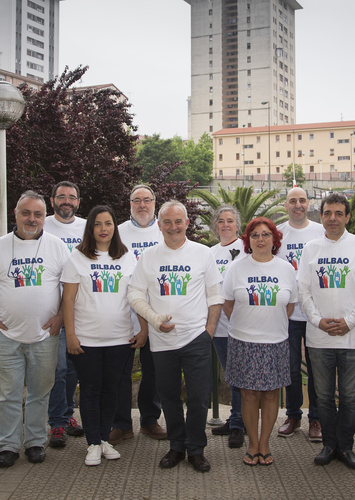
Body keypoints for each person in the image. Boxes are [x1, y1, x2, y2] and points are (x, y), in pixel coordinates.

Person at [0, 191, 68, 468]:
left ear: (44, 217)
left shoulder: (57, 246)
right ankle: (8, 446)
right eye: (26, 213)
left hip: (44, 337)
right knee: (6, 394)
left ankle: (36, 442)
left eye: (38, 214)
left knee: (40, 393)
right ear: (15, 214)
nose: (32, 219)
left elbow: (70, 286)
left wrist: (61, 315)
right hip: (5, 337)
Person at [127, 200, 223, 472]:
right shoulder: (148, 257)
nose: (173, 227)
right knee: (168, 397)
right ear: (159, 226)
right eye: (167, 222)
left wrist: (209, 333)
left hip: (196, 340)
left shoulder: (203, 254)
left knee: (198, 398)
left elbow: (215, 296)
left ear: (187, 224)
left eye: (178, 221)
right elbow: (134, 294)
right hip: (162, 342)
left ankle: (196, 449)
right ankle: (176, 446)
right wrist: (154, 320)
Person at [298, 192, 355, 469]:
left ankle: (346, 447)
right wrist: (318, 321)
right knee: (322, 396)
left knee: (349, 397)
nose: (333, 219)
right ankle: (329, 445)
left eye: (338, 213)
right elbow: (303, 290)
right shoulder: (311, 249)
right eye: (328, 213)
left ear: (347, 217)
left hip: (352, 337)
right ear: (320, 217)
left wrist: (350, 321)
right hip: (319, 337)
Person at [62, 205, 141, 466]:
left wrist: (144, 329)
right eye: (98, 224)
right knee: (91, 390)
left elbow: (137, 296)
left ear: (115, 227)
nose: (103, 229)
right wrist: (70, 335)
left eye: (108, 223)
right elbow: (69, 299)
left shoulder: (127, 257)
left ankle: (105, 439)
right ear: (90, 228)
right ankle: (92, 443)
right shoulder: (78, 257)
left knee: (111, 391)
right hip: (87, 340)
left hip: (120, 339)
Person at [223, 217, 297, 466]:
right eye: (255, 235)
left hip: (275, 341)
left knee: (271, 394)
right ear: (247, 240)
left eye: (266, 234)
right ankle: (252, 444)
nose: (261, 239)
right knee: (249, 394)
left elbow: (290, 305)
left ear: (274, 239)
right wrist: (249, 323)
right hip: (244, 341)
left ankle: (265, 444)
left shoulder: (286, 269)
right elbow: (228, 303)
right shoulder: (236, 268)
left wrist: (269, 322)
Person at [110, 184, 167, 444]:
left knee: (153, 372)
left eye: (147, 200)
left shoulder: (165, 230)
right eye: (137, 200)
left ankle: (149, 420)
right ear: (129, 204)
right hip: (121, 314)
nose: (142, 205)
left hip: (154, 315)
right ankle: (121, 423)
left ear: (155, 203)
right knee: (119, 372)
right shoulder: (116, 233)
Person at [276, 187, 324, 442]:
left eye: (302, 200)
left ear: (308, 204)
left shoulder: (320, 231)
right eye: (293, 201)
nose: (298, 205)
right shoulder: (279, 234)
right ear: (286, 205)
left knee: (316, 369)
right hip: (290, 314)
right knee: (291, 369)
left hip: (316, 314)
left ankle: (316, 419)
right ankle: (293, 415)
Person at [44, 181, 86, 448]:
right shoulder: (43, 226)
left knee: (73, 369)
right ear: (52, 201)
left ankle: (67, 413)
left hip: (84, 310)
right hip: (55, 311)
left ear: (79, 202)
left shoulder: (87, 227)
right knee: (58, 368)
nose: (66, 201)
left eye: (71, 197)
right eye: (61, 197)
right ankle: (57, 422)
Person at [209, 204, 247, 448]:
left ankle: (239, 425)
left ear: (237, 225)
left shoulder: (246, 247)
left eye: (230, 220)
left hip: (241, 324)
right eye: (221, 221)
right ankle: (235, 418)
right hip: (218, 327)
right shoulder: (209, 253)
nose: (225, 224)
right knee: (231, 375)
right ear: (215, 226)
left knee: (239, 375)